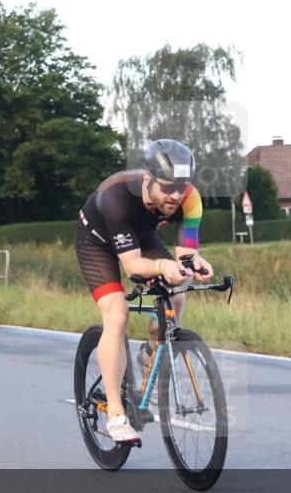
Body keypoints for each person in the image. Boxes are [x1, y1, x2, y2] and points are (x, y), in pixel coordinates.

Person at [75, 139, 214, 442]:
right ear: (148, 179)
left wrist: (194, 262)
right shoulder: (117, 197)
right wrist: (162, 267)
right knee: (117, 314)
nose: (175, 196)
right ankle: (115, 413)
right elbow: (133, 266)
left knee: (177, 291)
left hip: (141, 235)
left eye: (181, 187)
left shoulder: (190, 199)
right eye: (167, 187)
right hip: (96, 241)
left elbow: (186, 252)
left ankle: (150, 356)